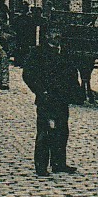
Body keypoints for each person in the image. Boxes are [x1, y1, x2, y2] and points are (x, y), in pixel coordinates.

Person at [23, 27, 82, 176]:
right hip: (46, 98)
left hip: (62, 99)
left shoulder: (65, 52)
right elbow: (28, 74)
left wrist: (76, 93)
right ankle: (41, 166)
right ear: (47, 36)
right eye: (53, 34)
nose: (57, 37)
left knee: (62, 131)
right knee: (45, 131)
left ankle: (59, 163)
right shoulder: (37, 52)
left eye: (59, 34)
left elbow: (72, 73)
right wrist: (40, 91)